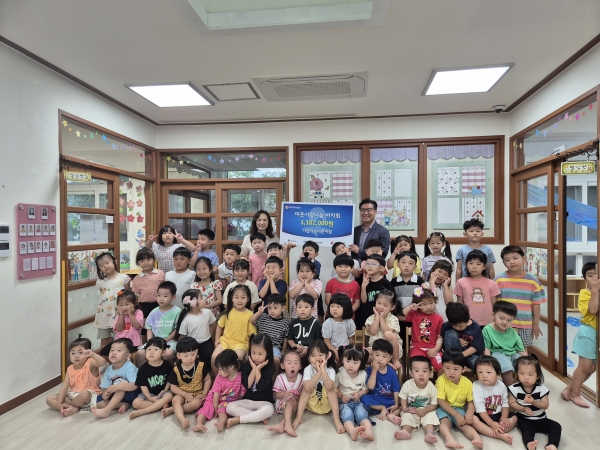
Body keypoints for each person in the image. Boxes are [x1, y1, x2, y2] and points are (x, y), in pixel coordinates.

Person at [495, 245, 546, 351]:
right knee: (503, 349)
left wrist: (536, 324)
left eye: (515, 258)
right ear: (504, 263)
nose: (512, 262)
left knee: (522, 350)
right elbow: (493, 303)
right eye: (507, 260)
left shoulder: (532, 280)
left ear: (524, 259)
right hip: (503, 323)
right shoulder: (498, 280)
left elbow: (536, 304)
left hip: (525, 323)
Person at [561, 261, 598, 408]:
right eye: (590, 275)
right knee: (584, 366)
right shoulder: (585, 293)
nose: (594, 278)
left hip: (597, 334)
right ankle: (575, 394)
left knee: (592, 368)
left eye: (596, 274)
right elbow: (593, 310)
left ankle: (569, 389)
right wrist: (595, 291)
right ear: (585, 279)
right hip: (588, 332)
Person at [508, 356, 561, 450]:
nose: (526, 377)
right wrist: (523, 409)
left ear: (537, 376)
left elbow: (545, 405)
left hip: (541, 418)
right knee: (527, 431)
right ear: (517, 373)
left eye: (530, 374)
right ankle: (530, 445)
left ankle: (552, 445)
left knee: (556, 426)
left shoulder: (541, 389)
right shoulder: (514, 388)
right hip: (524, 418)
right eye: (522, 373)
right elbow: (511, 402)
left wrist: (533, 402)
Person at [292, 340, 344, 434]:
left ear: (327, 356)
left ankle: (336, 420)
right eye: (313, 355)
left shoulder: (330, 370)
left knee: (332, 390)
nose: (317, 358)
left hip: (327, 404)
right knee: (305, 389)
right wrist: (318, 373)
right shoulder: (308, 369)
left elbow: (329, 387)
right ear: (308, 358)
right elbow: (307, 388)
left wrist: (322, 370)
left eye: (320, 355)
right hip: (312, 403)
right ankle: (299, 417)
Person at [226, 334, 276, 428]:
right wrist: (254, 369)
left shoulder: (270, 367)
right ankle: (257, 417)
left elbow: (261, 386)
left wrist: (258, 370)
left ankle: (239, 419)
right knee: (229, 408)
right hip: (248, 400)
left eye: (260, 354)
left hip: (264, 402)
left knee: (269, 410)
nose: (256, 357)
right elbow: (247, 385)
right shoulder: (247, 365)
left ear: (268, 353)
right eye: (253, 353)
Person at [435, 350, 483, 449]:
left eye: (456, 369)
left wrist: (469, 413)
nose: (451, 372)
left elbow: (471, 402)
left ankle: (477, 438)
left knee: (464, 425)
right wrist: (456, 415)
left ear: (463, 369)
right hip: (443, 408)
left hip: (459, 409)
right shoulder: (441, 380)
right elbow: (441, 401)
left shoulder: (467, 383)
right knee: (444, 422)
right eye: (447, 368)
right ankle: (449, 439)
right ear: (442, 367)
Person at [46, 337, 103, 416]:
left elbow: (102, 362)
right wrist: (59, 404)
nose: (76, 356)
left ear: (87, 353)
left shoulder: (90, 364)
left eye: (80, 353)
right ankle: (70, 407)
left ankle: (71, 405)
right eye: (73, 353)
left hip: (89, 396)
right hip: (73, 395)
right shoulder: (70, 369)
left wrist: (92, 354)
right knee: (49, 399)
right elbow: (64, 387)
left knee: (84, 394)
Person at [162, 337, 212, 429]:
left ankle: (173, 410)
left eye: (192, 354)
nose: (189, 358)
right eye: (185, 356)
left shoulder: (201, 365)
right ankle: (182, 419)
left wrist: (204, 393)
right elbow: (173, 387)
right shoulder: (176, 369)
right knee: (175, 400)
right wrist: (185, 394)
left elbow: (207, 380)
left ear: (197, 352)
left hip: (197, 393)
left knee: (197, 404)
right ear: (178, 355)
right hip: (181, 393)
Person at [194, 349, 245, 432]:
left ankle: (221, 424)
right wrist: (215, 408)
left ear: (231, 367)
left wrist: (235, 404)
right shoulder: (219, 376)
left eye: (221, 369)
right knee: (205, 410)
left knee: (223, 413)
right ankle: (198, 423)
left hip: (226, 402)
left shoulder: (241, 377)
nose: (219, 371)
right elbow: (216, 393)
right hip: (213, 398)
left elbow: (241, 394)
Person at [471, 355, 517, 444]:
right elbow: (480, 409)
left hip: (498, 414)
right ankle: (499, 435)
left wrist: (504, 417)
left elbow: (504, 403)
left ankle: (496, 429)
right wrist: (491, 423)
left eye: (488, 372)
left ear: (498, 374)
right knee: (473, 420)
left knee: (515, 417)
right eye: (480, 372)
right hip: (483, 416)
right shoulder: (476, 386)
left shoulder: (501, 385)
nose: (484, 375)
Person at [393, 356, 440, 443]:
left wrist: (425, 411)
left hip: (426, 411)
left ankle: (429, 433)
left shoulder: (432, 387)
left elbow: (434, 404)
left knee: (431, 417)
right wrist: (405, 408)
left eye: (424, 371)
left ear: (430, 373)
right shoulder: (407, 384)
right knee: (406, 417)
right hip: (412, 411)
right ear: (411, 373)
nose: (421, 374)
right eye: (417, 371)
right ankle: (405, 431)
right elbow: (403, 398)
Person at [212, 284, 257, 370]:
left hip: (241, 344)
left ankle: (236, 378)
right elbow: (220, 326)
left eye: (243, 297)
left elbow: (252, 335)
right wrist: (217, 339)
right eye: (236, 297)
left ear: (248, 299)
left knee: (238, 358)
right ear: (232, 298)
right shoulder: (228, 312)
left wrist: (250, 349)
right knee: (214, 357)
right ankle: (216, 378)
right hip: (225, 341)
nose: (239, 300)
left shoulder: (250, 315)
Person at [91, 338, 139, 418]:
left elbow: (134, 385)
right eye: (112, 350)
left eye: (119, 350)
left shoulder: (129, 367)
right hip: (117, 395)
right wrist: (105, 393)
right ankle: (122, 404)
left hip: (132, 393)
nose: (114, 353)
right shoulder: (109, 369)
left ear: (127, 356)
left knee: (122, 383)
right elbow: (105, 387)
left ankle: (107, 410)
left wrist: (118, 387)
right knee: (98, 402)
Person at [334, 345, 374, 441]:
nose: (351, 365)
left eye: (355, 362)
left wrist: (359, 394)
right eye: (348, 361)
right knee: (346, 415)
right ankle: (352, 431)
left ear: (361, 363)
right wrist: (341, 396)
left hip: (358, 402)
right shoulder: (340, 372)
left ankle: (369, 432)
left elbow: (366, 389)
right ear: (342, 360)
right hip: (344, 403)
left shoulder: (363, 374)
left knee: (362, 414)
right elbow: (334, 388)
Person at [483, 301, 528, 386]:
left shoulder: (512, 331)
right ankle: (510, 388)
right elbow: (487, 347)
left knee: (525, 364)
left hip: (512, 354)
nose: (505, 322)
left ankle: (525, 386)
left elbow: (520, 349)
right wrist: (488, 362)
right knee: (506, 365)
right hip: (498, 353)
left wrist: (529, 360)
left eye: (509, 320)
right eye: (501, 318)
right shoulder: (487, 330)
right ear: (493, 315)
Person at [136, 281, 180, 366]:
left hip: (170, 341)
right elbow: (149, 328)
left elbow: (176, 330)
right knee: (140, 354)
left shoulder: (177, 311)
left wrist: (165, 340)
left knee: (167, 354)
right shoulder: (154, 311)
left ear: (173, 297)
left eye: (165, 296)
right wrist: (150, 342)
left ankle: (168, 373)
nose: (161, 299)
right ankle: (145, 372)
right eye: (159, 295)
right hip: (155, 341)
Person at [130, 337, 174, 420]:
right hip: (149, 394)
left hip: (163, 393)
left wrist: (165, 389)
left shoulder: (167, 365)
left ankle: (143, 411)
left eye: (156, 349)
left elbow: (170, 380)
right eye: (149, 349)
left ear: (163, 352)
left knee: (169, 396)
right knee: (136, 403)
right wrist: (150, 398)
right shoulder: (143, 369)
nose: (151, 352)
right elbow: (143, 386)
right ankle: (161, 405)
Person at [402, 287, 444, 374]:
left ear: (435, 302)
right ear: (418, 304)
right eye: (424, 304)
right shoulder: (414, 314)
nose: (429, 307)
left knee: (442, 366)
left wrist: (436, 349)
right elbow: (400, 317)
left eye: (431, 303)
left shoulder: (439, 318)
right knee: (417, 366)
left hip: (433, 348)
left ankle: (439, 383)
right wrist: (411, 307)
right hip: (417, 348)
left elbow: (440, 337)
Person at [94, 252, 131, 349]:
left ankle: (118, 358)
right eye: (101, 265)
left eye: (107, 263)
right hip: (104, 315)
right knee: (104, 340)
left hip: (120, 314)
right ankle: (103, 359)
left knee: (119, 339)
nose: (105, 266)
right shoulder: (100, 282)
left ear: (115, 262)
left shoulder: (124, 278)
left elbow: (129, 295)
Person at [454, 249, 501, 327]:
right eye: (471, 263)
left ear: (484, 266)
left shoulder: (491, 283)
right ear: (466, 265)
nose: (474, 267)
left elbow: (494, 305)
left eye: (478, 264)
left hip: (488, 322)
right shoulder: (461, 282)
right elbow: (460, 305)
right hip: (468, 322)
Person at [361, 339, 400, 421]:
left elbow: (396, 389)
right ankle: (382, 408)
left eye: (384, 356)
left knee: (402, 403)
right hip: (375, 398)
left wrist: (396, 404)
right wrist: (374, 370)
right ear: (372, 354)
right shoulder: (369, 369)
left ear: (389, 358)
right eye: (377, 355)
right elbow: (370, 387)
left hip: (388, 400)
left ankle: (391, 412)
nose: (380, 359)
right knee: (363, 398)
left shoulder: (391, 372)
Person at [131, 247, 165, 341]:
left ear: (153, 260)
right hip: (143, 306)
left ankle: (158, 345)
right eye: (142, 261)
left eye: (148, 259)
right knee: (145, 328)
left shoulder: (160, 273)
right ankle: (144, 346)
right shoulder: (137, 279)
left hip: (159, 304)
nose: (146, 263)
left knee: (158, 326)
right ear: (138, 263)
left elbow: (165, 289)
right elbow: (135, 296)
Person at [175, 288, 216, 367]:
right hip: (192, 344)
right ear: (194, 303)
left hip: (206, 341)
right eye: (201, 297)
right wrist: (180, 350)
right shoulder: (186, 319)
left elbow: (212, 326)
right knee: (193, 361)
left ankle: (207, 372)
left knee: (208, 357)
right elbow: (182, 337)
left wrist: (214, 341)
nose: (204, 299)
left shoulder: (207, 312)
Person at [268, 350, 304, 437]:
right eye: (289, 363)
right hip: (281, 403)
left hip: (295, 403)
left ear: (300, 366)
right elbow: (275, 395)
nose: (292, 365)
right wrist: (283, 393)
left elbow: (303, 396)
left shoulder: (301, 379)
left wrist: (296, 398)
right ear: (282, 366)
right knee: (289, 403)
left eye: (296, 363)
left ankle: (282, 424)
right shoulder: (280, 378)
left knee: (291, 402)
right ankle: (287, 424)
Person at [364, 289, 402, 370]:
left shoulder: (393, 319)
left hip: (391, 349)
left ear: (392, 307)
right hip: (375, 349)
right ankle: (385, 362)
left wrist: (381, 318)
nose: (381, 307)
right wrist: (377, 317)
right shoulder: (371, 318)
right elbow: (373, 332)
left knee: (388, 334)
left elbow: (387, 332)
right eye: (379, 303)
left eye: (385, 305)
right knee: (363, 353)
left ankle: (395, 360)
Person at [391, 251, 425, 338]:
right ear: (398, 265)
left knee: (414, 338)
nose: (407, 265)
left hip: (415, 317)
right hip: (399, 317)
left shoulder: (419, 281)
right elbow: (392, 301)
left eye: (410, 263)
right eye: (403, 262)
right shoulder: (394, 282)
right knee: (401, 339)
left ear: (415, 267)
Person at [99, 290, 143, 358]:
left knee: (121, 354)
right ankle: (115, 364)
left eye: (127, 304)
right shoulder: (119, 315)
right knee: (103, 352)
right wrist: (121, 316)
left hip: (133, 342)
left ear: (134, 304)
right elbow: (119, 329)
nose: (124, 307)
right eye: (121, 305)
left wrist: (131, 314)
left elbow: (137, 326)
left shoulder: (138, 312)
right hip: (119, 341)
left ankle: (122, 364)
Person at [441, 302, 484, 371]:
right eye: (454, 325)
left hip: (470, 354)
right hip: (453, 356)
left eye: (460, 326)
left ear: (467, 320)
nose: (457, 328)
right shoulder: (447, 325)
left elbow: (476, 347)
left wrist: (460, 356)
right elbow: (443, 340)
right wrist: (457, 339)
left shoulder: (475, 327)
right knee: (450, 333)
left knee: (479, 366)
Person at [250, 294, 289, 369]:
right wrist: (259, 313)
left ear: (283, 308)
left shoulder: (285, 322)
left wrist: (283, 349)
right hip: (260, 344)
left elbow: (285, 337)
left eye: (275, 308)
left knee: (276, 359)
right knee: (249, 358)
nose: (272, 311)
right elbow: (251, 320)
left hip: (274, 346)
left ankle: (275, 376)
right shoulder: (264, 317)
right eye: (269, 308)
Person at [356, 254, 393, 330]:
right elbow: (364, 300)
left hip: (383, 316)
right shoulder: (365, 282)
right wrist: (363, 286)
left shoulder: (385, 283)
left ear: (381, 268)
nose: (370, 266)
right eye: (368, 263)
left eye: (373, 264)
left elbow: (391, 300)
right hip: (368, 316)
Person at [322, 294, 356, 364]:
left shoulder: (349, 322)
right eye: (332, 306)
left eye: (338, 306)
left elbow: (350, 338)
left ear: (346, 308)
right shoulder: (327, 323)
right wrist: (335, 353)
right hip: (331, 349)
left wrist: (347, 351)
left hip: (345, 349)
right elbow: (327, 341)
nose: (334, 309)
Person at [190, 256, 223, 322]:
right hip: (199, 314)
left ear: (210, 270)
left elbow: (219, 300)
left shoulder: (215, 283)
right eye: (199, 269)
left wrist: (207, 306)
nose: (201, 272)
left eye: (204, 269)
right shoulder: (194, 286)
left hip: (213, 314)